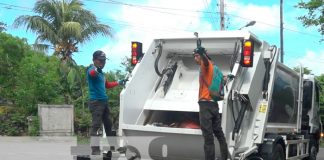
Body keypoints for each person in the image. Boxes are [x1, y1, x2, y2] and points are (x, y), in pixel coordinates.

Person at [86, 50, 127, 155]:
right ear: (94, 60)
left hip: (104, 102)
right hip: (96, 102)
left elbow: (107, 85)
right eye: (100, 61)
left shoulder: (101, 73)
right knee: (96, 126)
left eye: (104, 61)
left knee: (109, 125)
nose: (103, 63)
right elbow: (92, 73)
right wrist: (96, 68)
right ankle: (95, 150)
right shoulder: (91, 70)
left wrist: (118, 82)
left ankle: (114, 147)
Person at [193, 47, 228, 160]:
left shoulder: (205, 65)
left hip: (205, 105)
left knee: (208, 137)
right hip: (214, 105)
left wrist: (202, 54)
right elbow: (223, 79)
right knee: (219, 133)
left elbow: (205, 61)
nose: (195, 58)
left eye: (196, 56)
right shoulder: (215, 68)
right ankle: (224, 157)